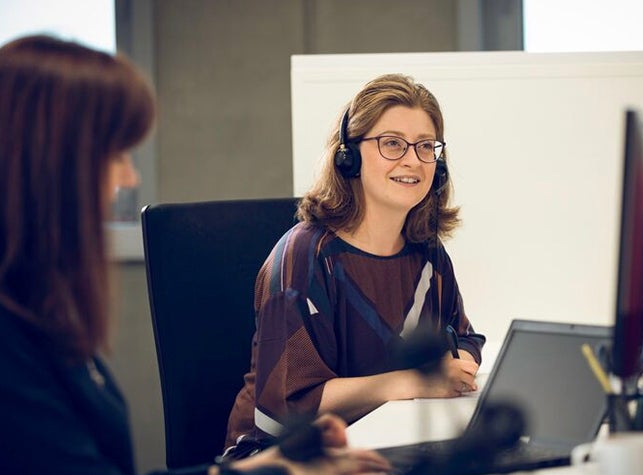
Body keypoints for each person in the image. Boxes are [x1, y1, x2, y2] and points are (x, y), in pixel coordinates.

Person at [0, 35, 389, 475]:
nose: (129, 177)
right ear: (48, 164)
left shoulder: (36, 307)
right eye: (115, 154)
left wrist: (272, 466)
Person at [225, 73, 486, 449]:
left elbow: (462, 336)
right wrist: (414, 380)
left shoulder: (427, 253)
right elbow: (288, 403)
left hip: (382, 443)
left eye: (426, 146)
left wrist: (457, 365)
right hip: (283, 457)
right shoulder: (305, 256)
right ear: (349, 157)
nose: (413, 160)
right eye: (392, 144)